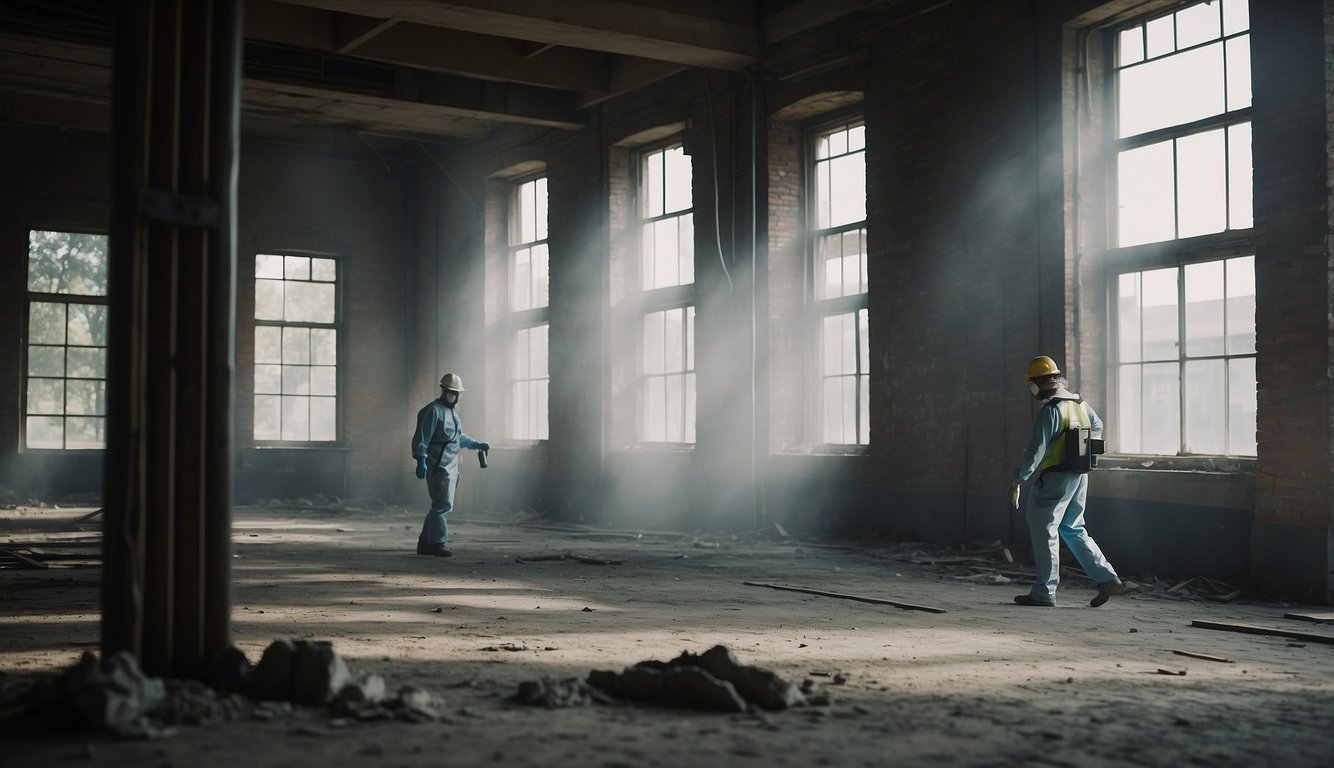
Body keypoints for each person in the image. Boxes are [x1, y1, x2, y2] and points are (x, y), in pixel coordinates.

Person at [1009, 355, 1122, 607]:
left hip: (1055, 478)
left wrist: (1018, 480)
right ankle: (1106, 576)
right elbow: (1097, 426)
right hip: (1079, 476)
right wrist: (1078, 451)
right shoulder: (1081, 404)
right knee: (1073, 527)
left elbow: (1036, 451)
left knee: (1044, 527)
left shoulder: (1052, 410)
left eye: (1032, 383)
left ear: (1040, 382)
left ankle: (1044, 592)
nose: (1032, 389)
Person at [412, 373, 489, 557]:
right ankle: (438, 543)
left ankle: (424, 542)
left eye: (456, 393)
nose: (453, 396)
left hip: (451, 467)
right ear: (443, 390)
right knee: (442, 505)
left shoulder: (453, 413)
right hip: (438, 466)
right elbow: (422, 438)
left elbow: (457, 438)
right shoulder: (433, 411)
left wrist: (476, 444)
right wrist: (421, 460)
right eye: (450, 392)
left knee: (438, 505)